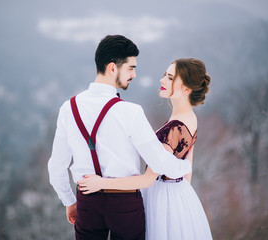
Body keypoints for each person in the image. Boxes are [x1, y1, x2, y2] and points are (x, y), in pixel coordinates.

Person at [47, 35, 192, 240]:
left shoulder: (68, 109)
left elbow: (56, 167)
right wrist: (185, 167)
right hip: (125, 206)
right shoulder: (130, 112)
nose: (134, 74)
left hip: (87, 204)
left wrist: (69, 202)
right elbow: (158, 161)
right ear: (112, 68)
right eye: (131, 68)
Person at [78, 58, 213, 239]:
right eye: (165, 75)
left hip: (162, 198)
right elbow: (188, 171)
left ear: (187, 89)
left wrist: (100, 183)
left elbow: (147, 180)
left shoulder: (174, 129)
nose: (162, 80)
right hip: (180, 196)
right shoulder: (190, 118)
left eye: (171, 78)